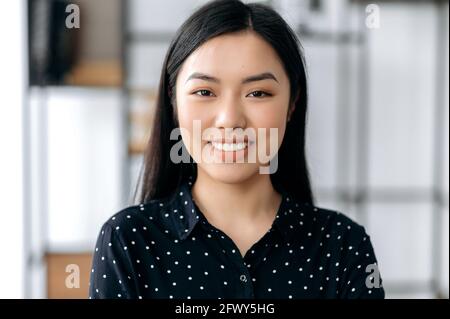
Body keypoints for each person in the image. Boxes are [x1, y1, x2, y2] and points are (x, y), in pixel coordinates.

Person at [89, 0, 384, 299]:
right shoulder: (128, 241)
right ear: (173, 101)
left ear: (292, 103)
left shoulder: (344, 246)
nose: (229, 119)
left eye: (258, 93)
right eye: (204, 92)